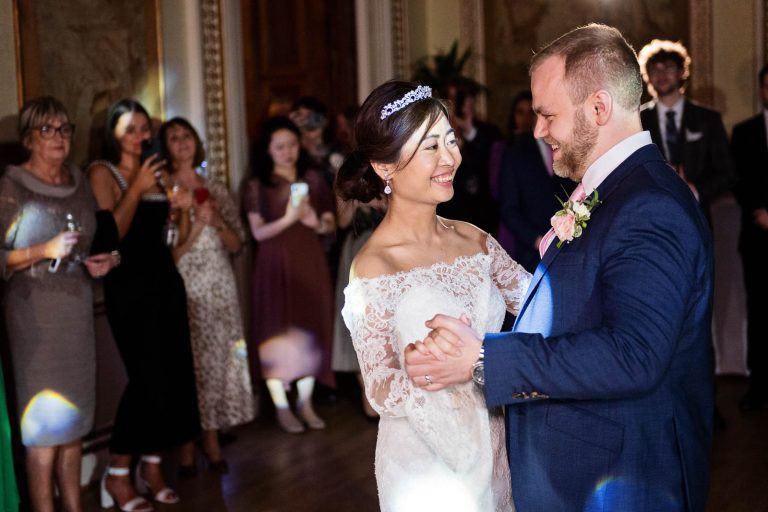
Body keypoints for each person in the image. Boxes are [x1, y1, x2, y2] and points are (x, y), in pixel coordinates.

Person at [405, 24, 714, 511]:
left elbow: (633, 355)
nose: (537, 130)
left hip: (622, 477)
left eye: (547, 115)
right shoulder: (613, 191)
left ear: (599, 107)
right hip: (585, 465)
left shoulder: (650, 205)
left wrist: (485, 357)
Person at [337, 80, 530, 511]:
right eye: (430, 147)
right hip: (424, 467)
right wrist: (427, 369)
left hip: (495, 449)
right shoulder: (374, 267)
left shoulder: (475, 240)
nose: (450, 159)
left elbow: (540, 305)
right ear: (384, 166)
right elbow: (381, 390)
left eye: (451, 140)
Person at [0, 96, 119, 512]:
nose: (59, 137)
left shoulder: (77, 181)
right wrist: (42, 248)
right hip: (35, 319)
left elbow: (91, 241)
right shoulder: (12, 184)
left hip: (76, 312)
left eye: (65, 129)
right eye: (48, 129)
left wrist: (104, 261)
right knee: (44, 433)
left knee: (72, 430)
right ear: (30, 137)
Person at [89, 99, 200, 511]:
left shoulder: (161, 173)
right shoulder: (103, 172)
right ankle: (118, 473)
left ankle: (152, 468)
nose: (140, 137)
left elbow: (170, 242)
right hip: (128, 289)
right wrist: (134, 188)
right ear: (112, 134)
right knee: (145, 379)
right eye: (129, 130)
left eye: (143, 129)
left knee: (170, 378)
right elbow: (108, 236)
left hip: (165, 283)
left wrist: (183, 213)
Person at [159, 117, 256, 473]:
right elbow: (169, 253)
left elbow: (237, 243)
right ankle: (186, 442)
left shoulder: (214, 187)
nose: (182, 142)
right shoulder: (163, 189)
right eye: (173, 137)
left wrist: (215, 222)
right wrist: (193, 221)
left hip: (220, 284)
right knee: (190, 366)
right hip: (184, 284)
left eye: (187, 136)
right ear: (164, 146)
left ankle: (212, 438)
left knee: (217, 363)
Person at [243, 116, 335, 434]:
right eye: (280, 146)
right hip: (273, 262)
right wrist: (288, 218)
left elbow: (330, 223)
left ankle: (305, 402)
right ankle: (281, 405)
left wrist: (312, 220)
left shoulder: (313, 178)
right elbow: (257, 232)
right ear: (268, 150)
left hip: (308, 258)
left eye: (292, 145)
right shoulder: (258, 185)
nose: (288, 151)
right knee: (275, 326)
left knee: (310, 324)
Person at [638, 39, 733, 218]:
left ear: (682, 71)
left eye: (668, 67)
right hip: (650, 213)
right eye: (655, 69)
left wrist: (695, 190)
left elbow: (727, 173)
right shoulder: (638, 119)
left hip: (696, 213)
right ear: (647, 76)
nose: (661, 74)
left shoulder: (708, 119)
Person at [497, 92, 576, 272]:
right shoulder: (515, 153)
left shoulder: (567, 147)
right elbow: (509, 209)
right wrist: (537, 240)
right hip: (530, 254)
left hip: (571, 247)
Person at [731, 63, 768, 413]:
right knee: (758, 312)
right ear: (761, 91)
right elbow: (737, 179)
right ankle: (758, 386)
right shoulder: (744, 132)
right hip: (757, 236)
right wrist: (760, 211)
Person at [437, 78, 502, 234]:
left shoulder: (486, 133)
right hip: (447, 215)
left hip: (481, 218)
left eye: (460, 98)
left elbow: (492, 171)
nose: (456, 104)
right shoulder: (434, 132)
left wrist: (469, 131)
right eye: (451, 99)